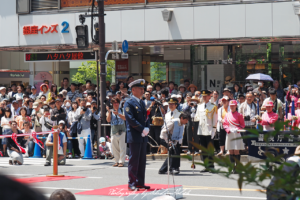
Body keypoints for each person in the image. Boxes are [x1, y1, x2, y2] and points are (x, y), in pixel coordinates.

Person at [124, 79, 150, 191]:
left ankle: (140, 182)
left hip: (143, 135)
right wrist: (141, 129)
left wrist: (147, 127)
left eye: (143, 89)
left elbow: (146, 117)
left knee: (142, 160)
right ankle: (132, 183)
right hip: (135, 135)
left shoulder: (141, 102)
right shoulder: (129, 102)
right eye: (140, 89)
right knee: (134, 160)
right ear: (133, 90)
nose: (142, 91)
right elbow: (130, 119)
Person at [196, 90, 218, 172]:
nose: (204, 97)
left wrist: (213, 130)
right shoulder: (199, 106)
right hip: (201, 130)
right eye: (203, 96)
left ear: (209, 97)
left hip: (209, 130)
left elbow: (215, 120)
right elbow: (197, 117)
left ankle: (211, 166)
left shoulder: (213, 106)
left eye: (206, 96)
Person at [223, 100, 245, 174]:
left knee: (236, 151)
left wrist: (237, 129)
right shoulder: (227, 115)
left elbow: (242, 125)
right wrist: (229, 129)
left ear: (236, 106)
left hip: (236, 134)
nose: (232, 107)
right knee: (230, 151)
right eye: (231, 106)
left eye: (233, 106)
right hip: (230, 133)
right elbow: (225, 124)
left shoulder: (239, 115)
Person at [106, 97, 126, 167]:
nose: (116, 104)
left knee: (122, 147)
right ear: (112, 104)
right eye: (114, 103)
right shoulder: (110, 111)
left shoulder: (122, 110)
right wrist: (109, 111)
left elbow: (125, 118)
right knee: (115, 148)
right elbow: (108, 120)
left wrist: (118, 114)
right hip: (114, 131)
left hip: (122, 130)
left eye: (117, 102)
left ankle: (121, 161)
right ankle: (116, 161)